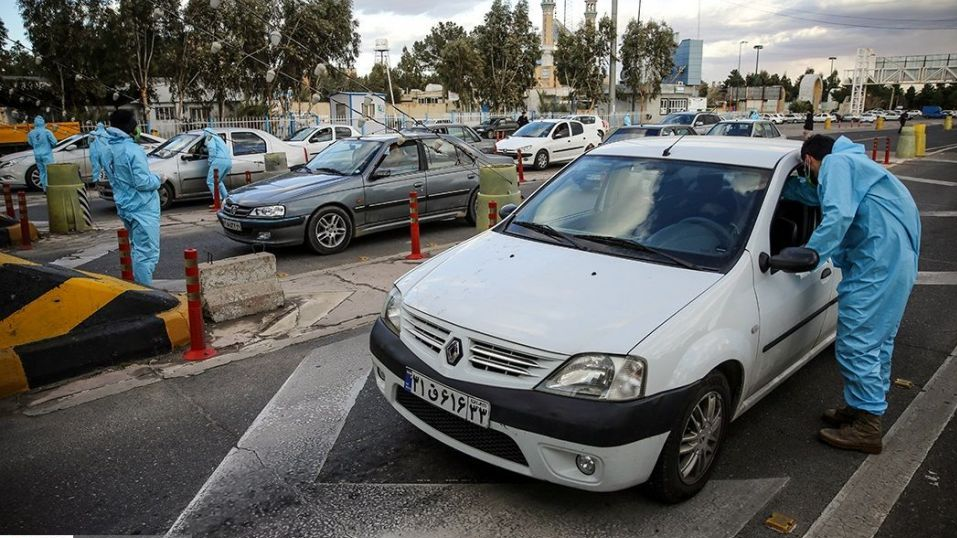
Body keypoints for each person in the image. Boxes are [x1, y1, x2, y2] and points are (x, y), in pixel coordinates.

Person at [782, 134, 920, 454]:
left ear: (809, 161)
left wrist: (810, 255)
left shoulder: (836, 163)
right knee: (877, 342)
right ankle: (861, 407)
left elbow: (838, 213)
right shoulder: (857, 163)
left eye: (809, 171)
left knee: (857, 342)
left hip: (877, 264)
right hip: (893, 260)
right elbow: (817, 195)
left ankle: (867, 427)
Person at [107, 110, 161, 286]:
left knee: (138, 250)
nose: (136, 125)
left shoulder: (110, 148)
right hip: (142, 207)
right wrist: (159, 179)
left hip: (125, 205)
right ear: (127, 125)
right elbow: (143, 182)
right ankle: (147, 294)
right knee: (147, 254)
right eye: (134, 122)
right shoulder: (132, 149)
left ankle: (141, 288)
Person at [27, 115, 58, 192]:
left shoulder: (31, 133)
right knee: (49, 171)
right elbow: (54, 142)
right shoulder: (47, 131)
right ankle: (49, 188)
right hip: (47, 154)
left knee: (42, 172)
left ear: (35, 123)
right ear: (43, 122)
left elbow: (30, 143)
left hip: (37, 155)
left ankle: (44, 188)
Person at [203, 127, 230, 203]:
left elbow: (212, 149)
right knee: (219, 181)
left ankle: (218, 200)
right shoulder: (219, 138)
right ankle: (226, 199)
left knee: (210, 181)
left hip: (218, 161)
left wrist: (210, 161)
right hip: (228, 161)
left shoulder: (209, 137)